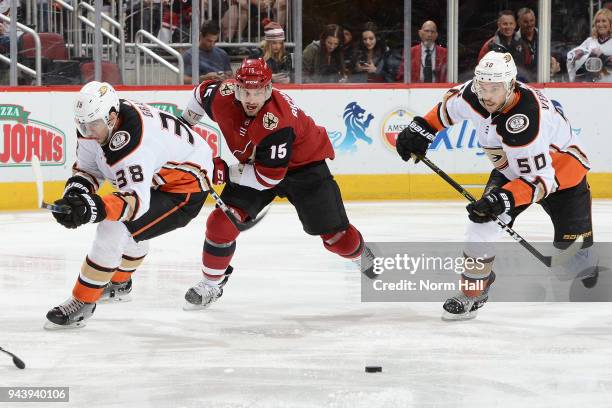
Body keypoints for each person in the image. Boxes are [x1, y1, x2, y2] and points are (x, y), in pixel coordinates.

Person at [395, 51, 596, 320]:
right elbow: (447, 109)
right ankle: (473, 291)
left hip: (562, 177)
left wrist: (501, 200)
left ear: (511, 85)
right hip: (513, 171)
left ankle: (584, 259)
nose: (486, 95)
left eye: (495, 88)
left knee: (574, 266)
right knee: (481, 223)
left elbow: (541, 180)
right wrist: (422, 129)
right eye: (482, 87)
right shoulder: (474, 94)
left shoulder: (525, 121)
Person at [179, 58, 374, 310]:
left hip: (305, 168)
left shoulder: (277, 121)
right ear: (235, 88)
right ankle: (210, 284)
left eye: (258, 92)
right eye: (246, 92)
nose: (251, 99)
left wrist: (224, 173)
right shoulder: (221, 94)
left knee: (337, 238)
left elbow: (269, 178)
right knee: (220, 223)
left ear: (268, 89)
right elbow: (199, 93)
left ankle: (368, 261)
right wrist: (186, 125)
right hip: (255, 164)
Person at [45, 81, 217, 329]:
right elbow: (88, 169)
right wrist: (76, 194)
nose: (87, 131)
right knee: (134, 229)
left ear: (113, 117)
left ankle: (82, 301)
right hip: (162, 171)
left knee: (114, 226)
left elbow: (135, 203)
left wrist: (92, 208)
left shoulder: (133, 143)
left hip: (184, 189)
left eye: (92, 125)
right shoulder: (96, 120)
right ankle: (119, 284)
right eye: (82, 125)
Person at [567, 8, 612, 82]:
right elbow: (571, 58)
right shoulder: (590, 41)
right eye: (598, 21)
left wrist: (601, 56)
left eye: (604, 21)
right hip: (591, 87)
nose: (600, 24)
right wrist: (576, 57)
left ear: (611, 23)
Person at [182, 20, 232, 85]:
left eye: (215, 41)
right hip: (200, 90)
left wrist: (226, 76)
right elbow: (183, 79)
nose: (212, 44)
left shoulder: (222, 54)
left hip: (220, 89)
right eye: (209, 41)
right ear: (201, 36)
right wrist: (204, 79)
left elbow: (230, 76)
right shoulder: (189, 55)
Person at [250, 19, 292, 83]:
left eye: (280, 43)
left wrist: (288, 79)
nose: (277, 46)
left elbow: (288, 73)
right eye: (274, 43)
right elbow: (249, 76)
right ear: (268, 43)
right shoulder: (256, 55)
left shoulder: (286, 55)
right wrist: (269, 78)